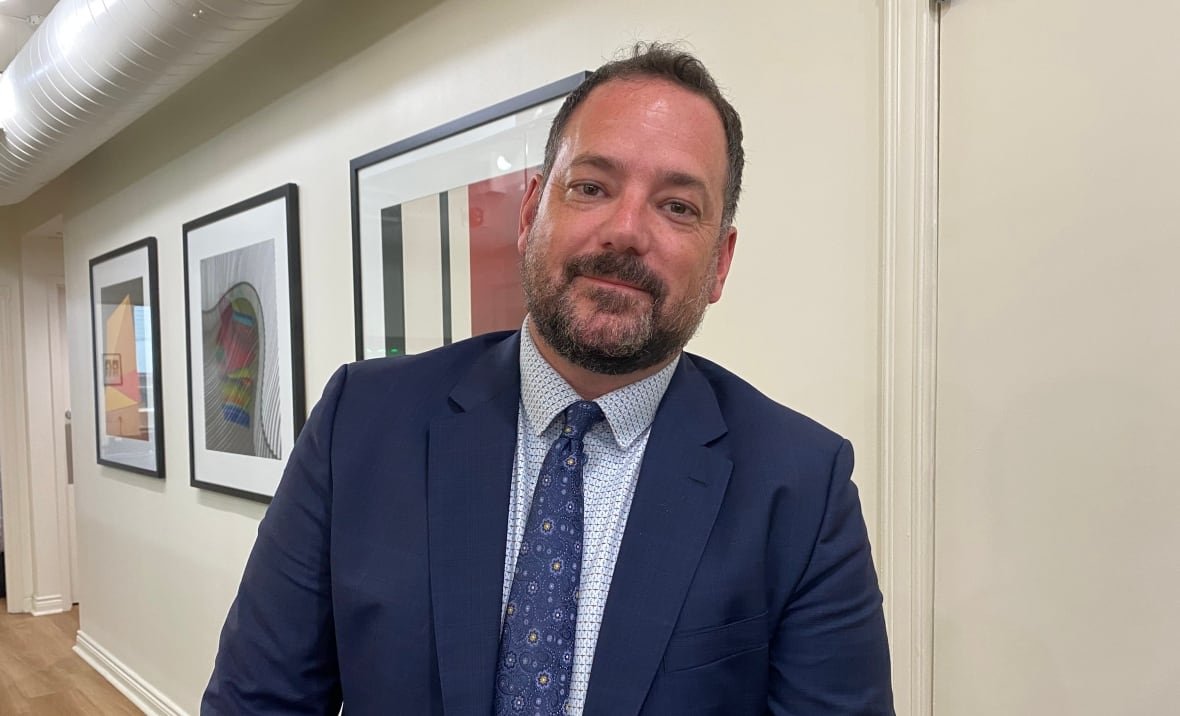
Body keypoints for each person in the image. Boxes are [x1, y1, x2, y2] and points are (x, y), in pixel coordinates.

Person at [202, 43, 893, 715]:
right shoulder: (361, 423)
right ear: (532, 212)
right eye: (591, 187)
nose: (625, 230)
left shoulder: (802, 487)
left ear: (719, 263)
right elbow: (259, 701)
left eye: (677, 206)